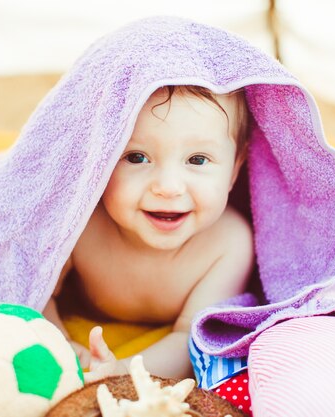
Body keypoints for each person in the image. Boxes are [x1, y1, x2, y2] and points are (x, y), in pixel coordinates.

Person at [42, 85, 255, 382]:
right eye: (137, 157)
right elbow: (30, 288)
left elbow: (192, 340)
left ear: (234, 169)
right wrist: (61, 344)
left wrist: (122, 372)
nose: (168, 186)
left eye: (197, 160)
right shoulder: (80, 224)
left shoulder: (229, 243)